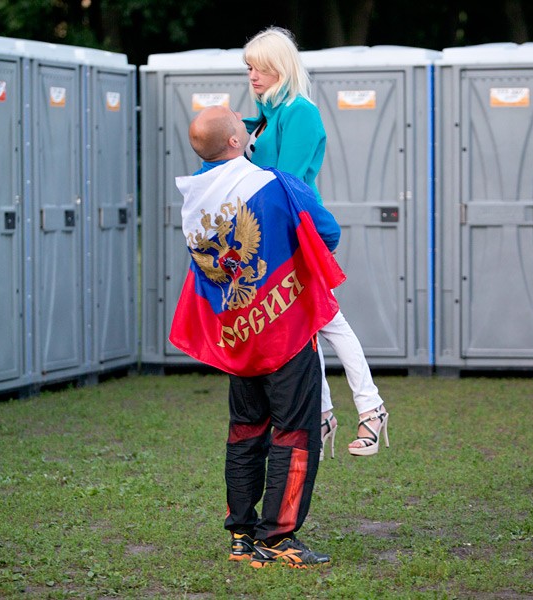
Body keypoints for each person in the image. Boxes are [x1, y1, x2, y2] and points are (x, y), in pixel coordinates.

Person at [170, 105, 345, 568]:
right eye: (238, 121)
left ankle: (241, 535)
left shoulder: (195, 200)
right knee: (294, 432)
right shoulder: (274, 184)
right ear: (235, 142)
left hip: (239, 334)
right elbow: (328, 234)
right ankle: (278, 537)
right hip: (285, 329)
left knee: (246, 431)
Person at [241, 26, 390, 458]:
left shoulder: (299, 112)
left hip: (298, 233)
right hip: (277, 235)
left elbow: (287, 183)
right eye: (248, 67)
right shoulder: (267, 114)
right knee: (307, 326)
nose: (252, 75)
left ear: (280, 66)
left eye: (259, 67)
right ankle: (329, 414)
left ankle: (370, 409)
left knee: (328, 322)